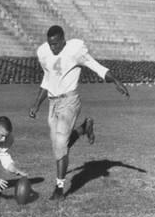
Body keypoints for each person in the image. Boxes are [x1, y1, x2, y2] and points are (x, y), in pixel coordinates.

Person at [29, 25, 129, 201]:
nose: (53, 48)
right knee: (60, 147)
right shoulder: (43, 52)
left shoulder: (75, 50)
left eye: (56, 44)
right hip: (53, 103)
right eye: (50, 44)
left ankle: (59, 188)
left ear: (63, 40)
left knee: (60, 144)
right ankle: (84, 128)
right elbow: (47, 79)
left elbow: (96, 67)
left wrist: (117, 81)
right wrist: (36, 104)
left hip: (69, 100)